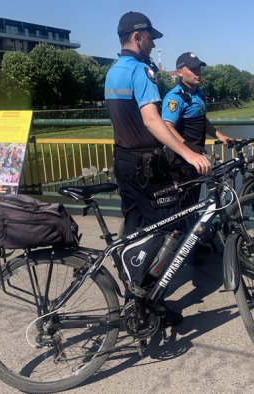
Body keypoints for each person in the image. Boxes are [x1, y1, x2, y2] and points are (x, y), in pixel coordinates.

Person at [105, 11, 211, 326]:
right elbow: (153, 120)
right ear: (137, 37)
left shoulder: (113, 71)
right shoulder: (140, 71)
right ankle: (152, 302)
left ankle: (134, 299)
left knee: (136, 229)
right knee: (171, 227)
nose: (152, 44)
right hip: (145, 166)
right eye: (150, 38)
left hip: (123, 163)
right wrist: (188, 154)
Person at [161, 52, 234, 226]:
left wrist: (219, 135)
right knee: (181, 205)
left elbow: (202, 120)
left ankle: (191, 243)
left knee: (193, 202)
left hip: (196, 158)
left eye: (199, 68)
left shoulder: (199, 93)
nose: (198, 72)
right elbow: (167, 127)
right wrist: (188, 147)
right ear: (179, 72)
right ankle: (176, 244)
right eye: (193, 69)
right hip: (180, 160)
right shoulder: (174, 97)